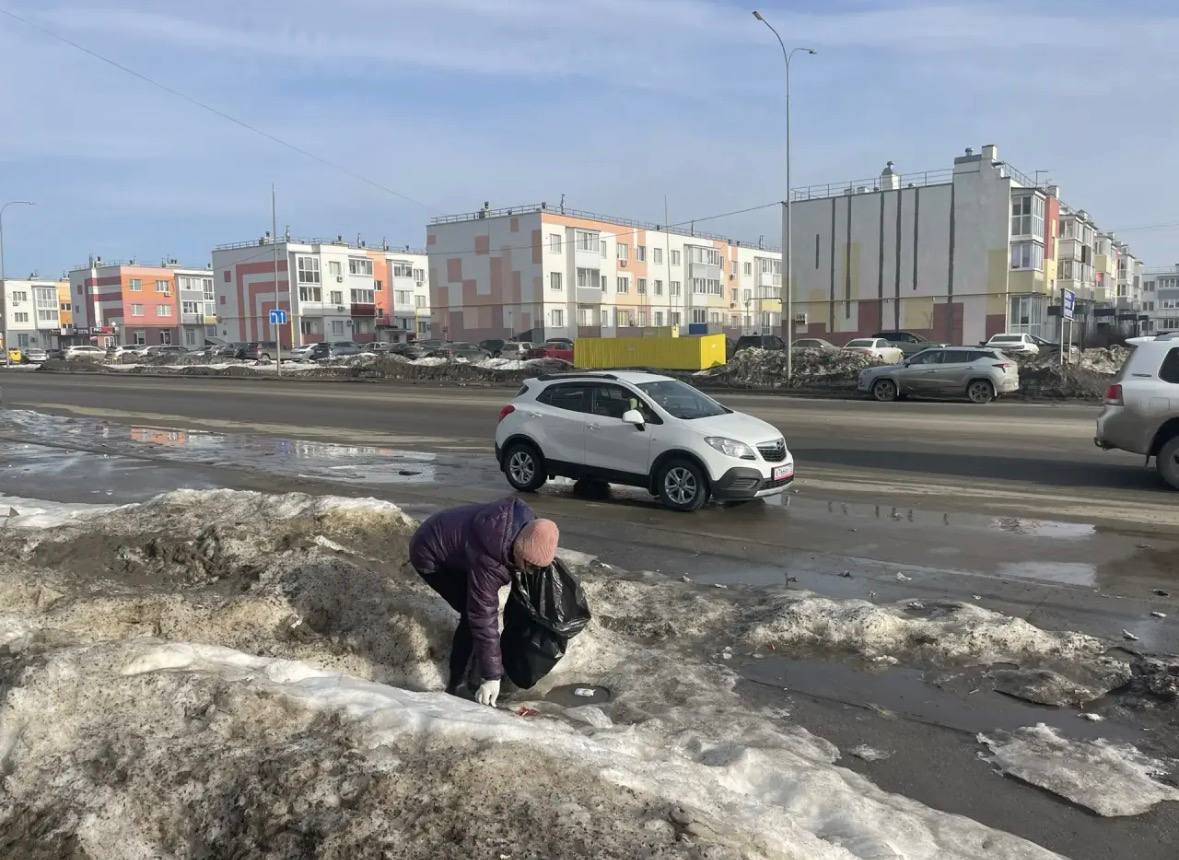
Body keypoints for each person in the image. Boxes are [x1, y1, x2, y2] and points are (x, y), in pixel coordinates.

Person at [409, 497, 559, 707]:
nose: (530, 572)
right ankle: (457, 683)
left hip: (453, 541)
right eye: (528, 566)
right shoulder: (489, 560)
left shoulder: (527, 527)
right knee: (471, 613)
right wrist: (492, 676)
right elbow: (481, 616)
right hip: (430, 553)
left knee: (475, 610)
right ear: (519, 551)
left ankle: (478, 667)